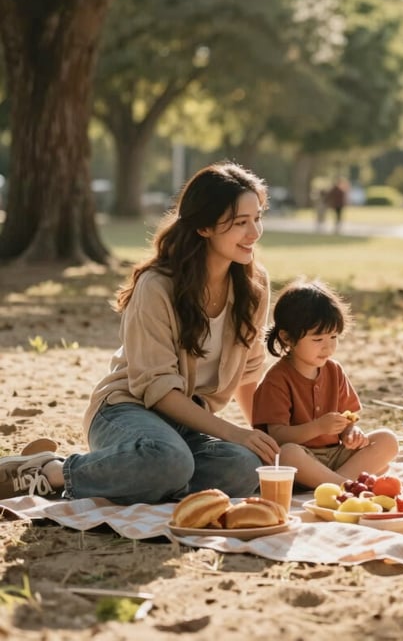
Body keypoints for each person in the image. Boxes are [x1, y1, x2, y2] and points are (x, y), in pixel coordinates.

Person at [0, 162, 280, 504]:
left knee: (247, 468)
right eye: (240, 223)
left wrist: (266, 439)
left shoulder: (254, 285)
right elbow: (157, 389)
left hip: (187, 424)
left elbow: (249, 374)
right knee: (170, 461)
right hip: (124, 411)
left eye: (258, 217)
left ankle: (141, 477)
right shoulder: (157, 286)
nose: (255, 233)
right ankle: (53, 472)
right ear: (205, 226)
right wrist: (231, 432)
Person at [251, 277, 399, 489]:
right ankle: (346, 486)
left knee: (387, 440)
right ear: (287, 338)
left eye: (333, 337)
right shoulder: (277, 379)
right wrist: (318, 427)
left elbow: (349, 420)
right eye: (318, 340)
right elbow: (278, 436)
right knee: (288, 453)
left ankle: (334, 484)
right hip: (302, 460)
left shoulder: (334, 370)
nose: (328, 348)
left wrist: (351, 434)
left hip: (335, 456)